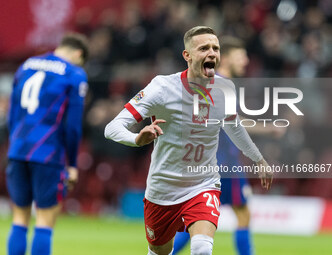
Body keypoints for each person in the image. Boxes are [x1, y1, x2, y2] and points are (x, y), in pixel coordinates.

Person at [105, 26, 272, 255]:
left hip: (203, 183)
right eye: (204, 48)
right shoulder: (162, 88)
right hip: (163, 187)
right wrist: (136, 138)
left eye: (216, 48)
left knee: (202, 248)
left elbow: (235, 128)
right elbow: (112, 128)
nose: (212, 53)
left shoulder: (225, 89)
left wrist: (258, 159)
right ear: (187, 55)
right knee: (159, 251)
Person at [6, 33, 89, 255]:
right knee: (44, 219)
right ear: (79, 54)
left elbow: (12, 113)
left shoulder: (26, 65)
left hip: (18, 149)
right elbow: (72, 126)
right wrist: (72, 163)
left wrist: (14, 144)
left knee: (20, 218)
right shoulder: (74, 74)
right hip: (47, 152)